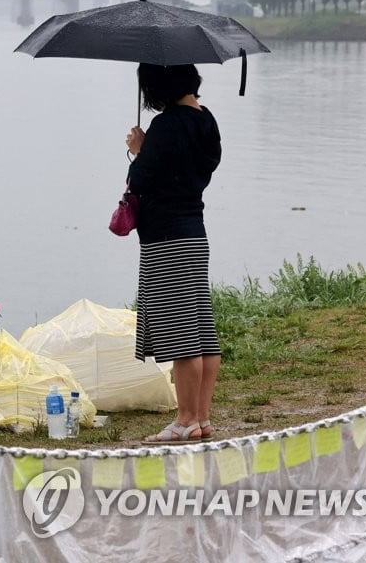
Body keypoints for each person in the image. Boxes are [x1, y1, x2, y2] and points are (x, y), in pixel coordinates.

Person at [125, 63, 222, 445]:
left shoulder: (168, 124)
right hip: (194, 232)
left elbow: (142, 179)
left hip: (166, 238)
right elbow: (197, 167)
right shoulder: (206, 119)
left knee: (182, 335)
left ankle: (184, 420)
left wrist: (139, 150)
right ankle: (200, 418)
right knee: (201, 331)